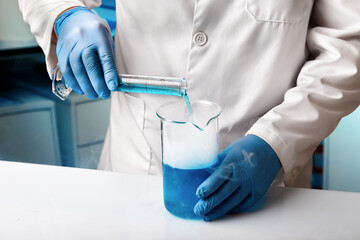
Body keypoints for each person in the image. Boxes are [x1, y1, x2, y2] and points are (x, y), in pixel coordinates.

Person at [19, 0, 360, 221]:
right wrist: (64, 13)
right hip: (136, 163)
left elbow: (349, 46)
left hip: (268, 183)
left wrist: (276, 142)